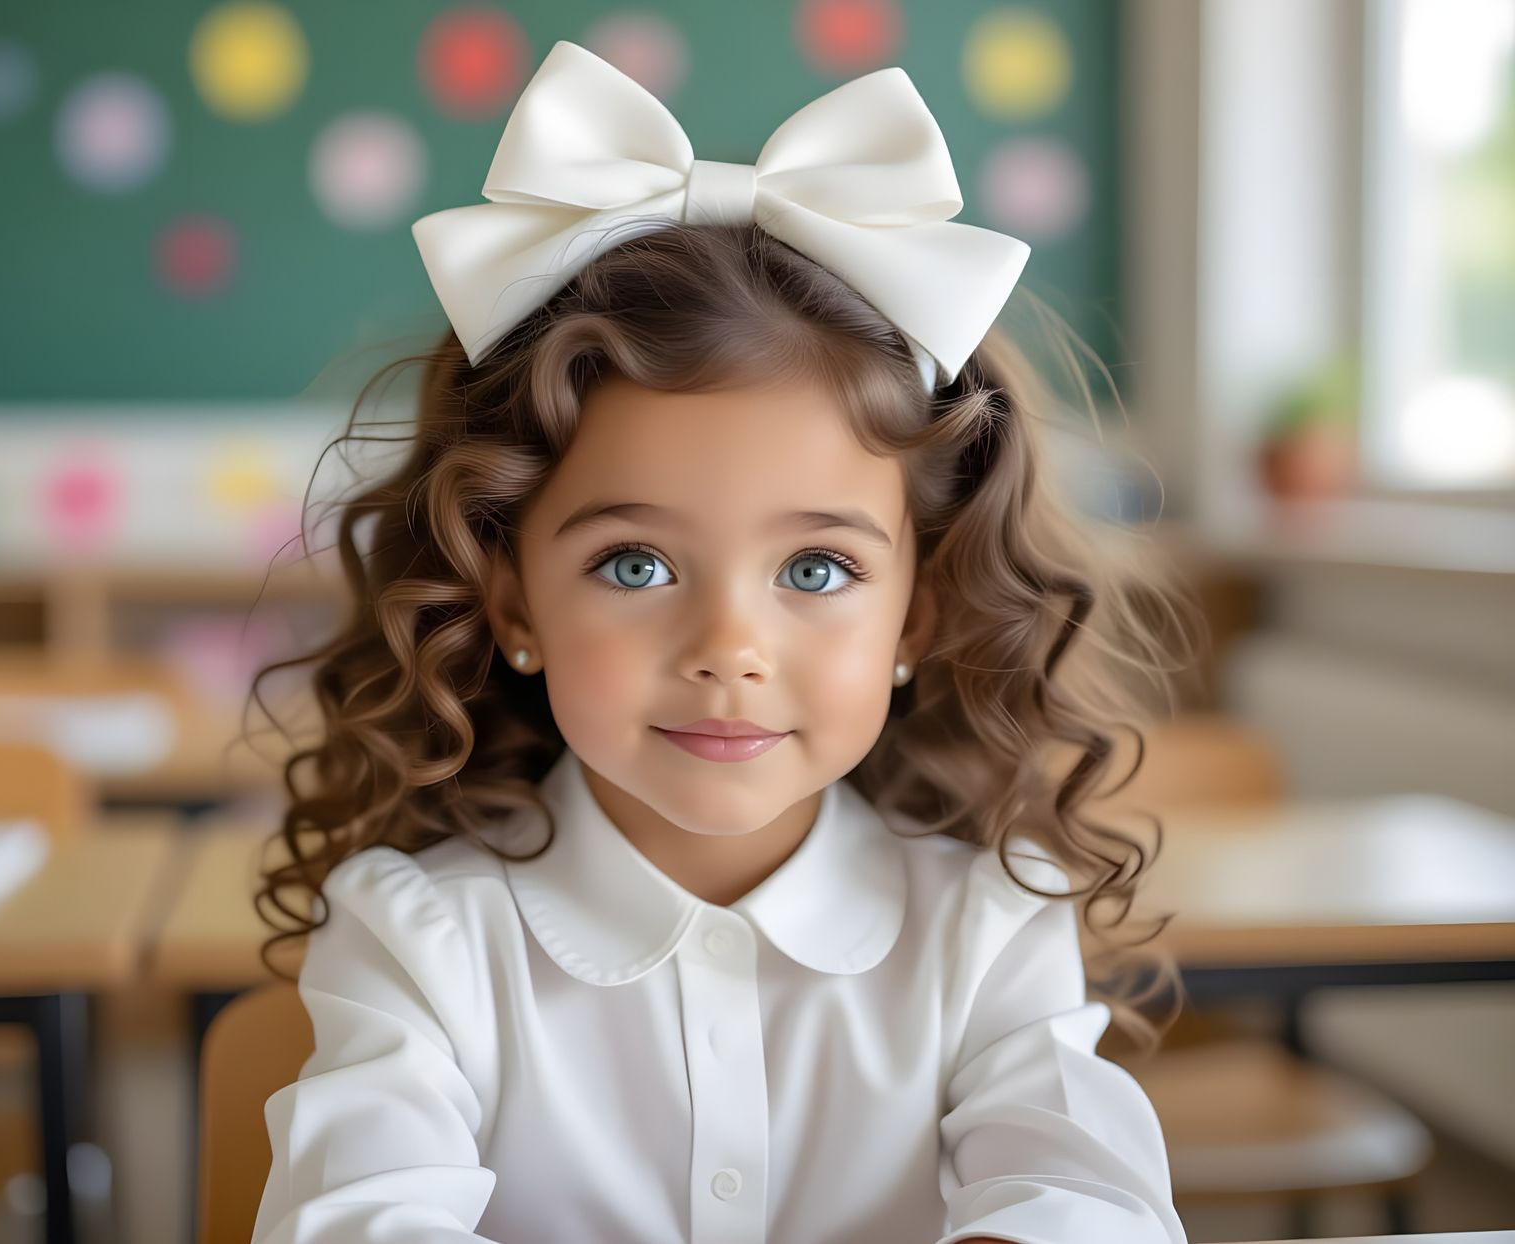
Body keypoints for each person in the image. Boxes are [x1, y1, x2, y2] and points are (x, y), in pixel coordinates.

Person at [246, 38, 1197, 1244]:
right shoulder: (417, 934)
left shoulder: (990, 924)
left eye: (817, 568)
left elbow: (1082, 1201)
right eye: (634, 564)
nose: (728, 646)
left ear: (917, 610)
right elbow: (357, 1218)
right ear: (512, 602)